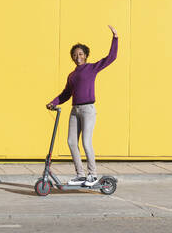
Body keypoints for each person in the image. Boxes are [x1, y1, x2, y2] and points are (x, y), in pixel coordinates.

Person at [47, 25, 118, 187]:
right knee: (71, 141)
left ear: (85, 56)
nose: (77, 56)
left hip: (88, 110)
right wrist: (53, 102)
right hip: (75, 110)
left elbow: (111, 57)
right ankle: (80, 174)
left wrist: (115, 38)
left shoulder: (91, 68)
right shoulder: (72, 75)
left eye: (80, 54)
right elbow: (66, 93)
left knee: (86, 142)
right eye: (75, 54)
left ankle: (92, 174)